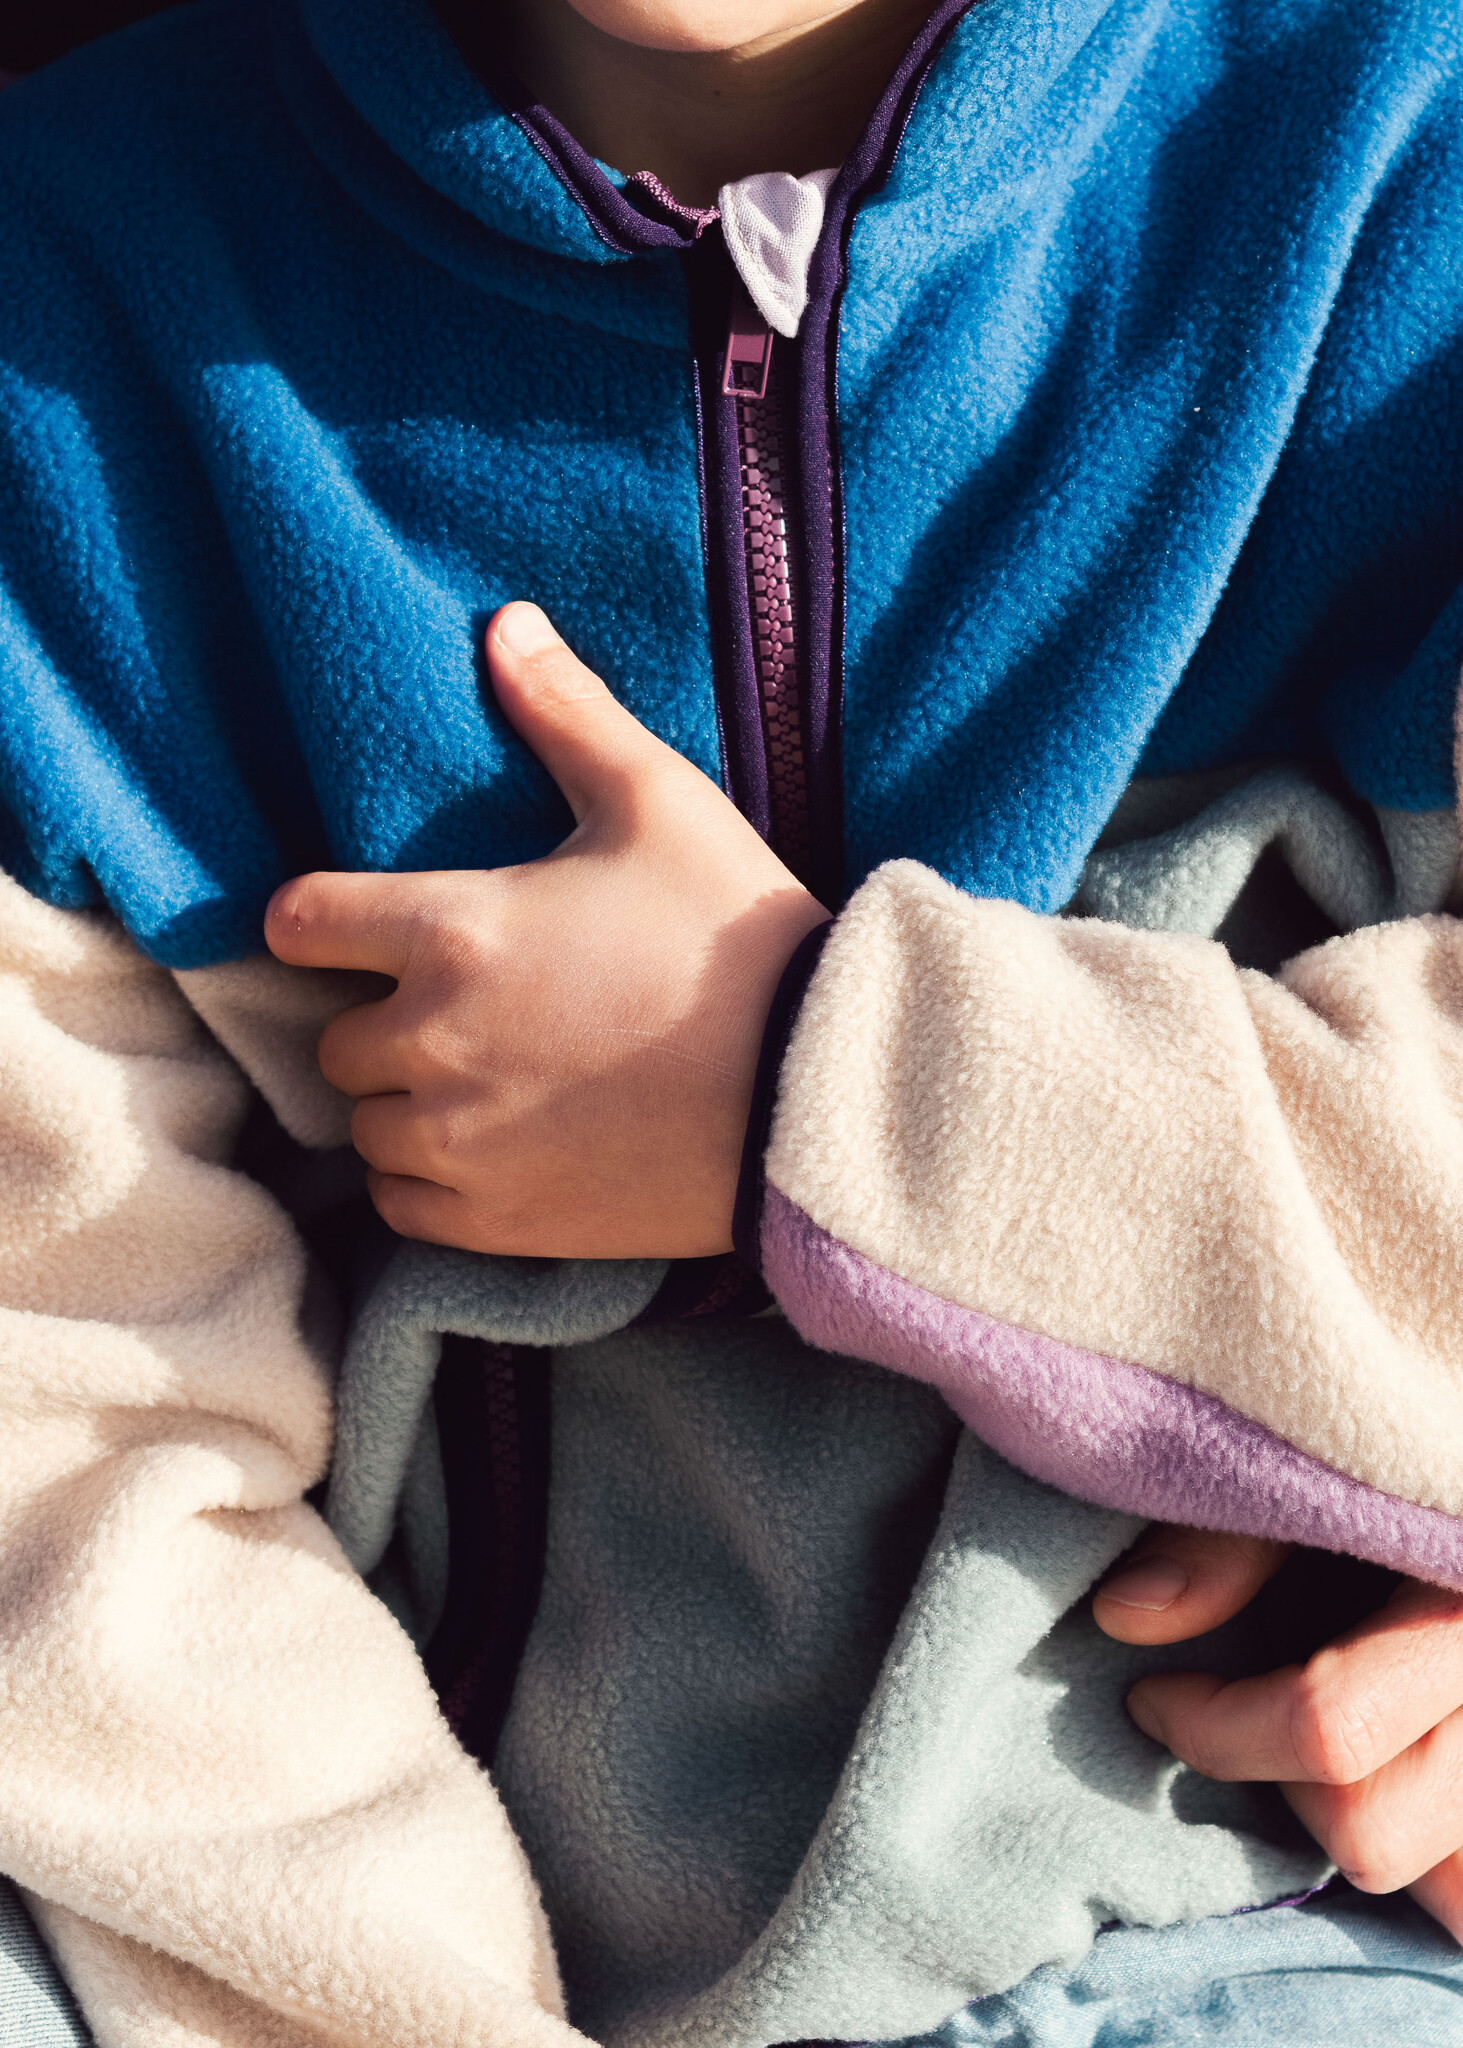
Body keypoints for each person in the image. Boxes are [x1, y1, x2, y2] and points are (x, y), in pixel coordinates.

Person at [2, 1, 1463, 2045]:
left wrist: (812, 1083)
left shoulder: (1408, 176)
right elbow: (65, 1438)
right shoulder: (67, 299)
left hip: (1252, 1930)